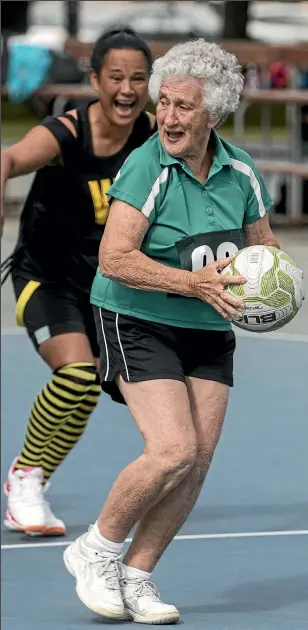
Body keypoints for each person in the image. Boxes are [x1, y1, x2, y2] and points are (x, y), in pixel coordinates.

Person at [63, 39, 280, 624]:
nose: (168, 117)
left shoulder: (241, 171)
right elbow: (115, 257)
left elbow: (265, 249)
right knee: (172, 449)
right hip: (135, 316)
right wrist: (193, 284)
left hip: (207, 326)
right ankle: (96, 549)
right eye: (164, 103)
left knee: (198, 460)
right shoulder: (147, 165)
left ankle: (137, 575)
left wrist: (269, 292)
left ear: (214, 112)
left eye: (184, 106)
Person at [1, 27, 156, 537]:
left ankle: (34, 481)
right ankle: (23, 479)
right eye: (116, 77)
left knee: (87, 389)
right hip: (45, 277)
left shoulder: (152, 137)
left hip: (105, 288)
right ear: (94, 79)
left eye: (138, 78)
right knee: (74, 374)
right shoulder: (65, 134)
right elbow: (7, 159)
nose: (127, 89)